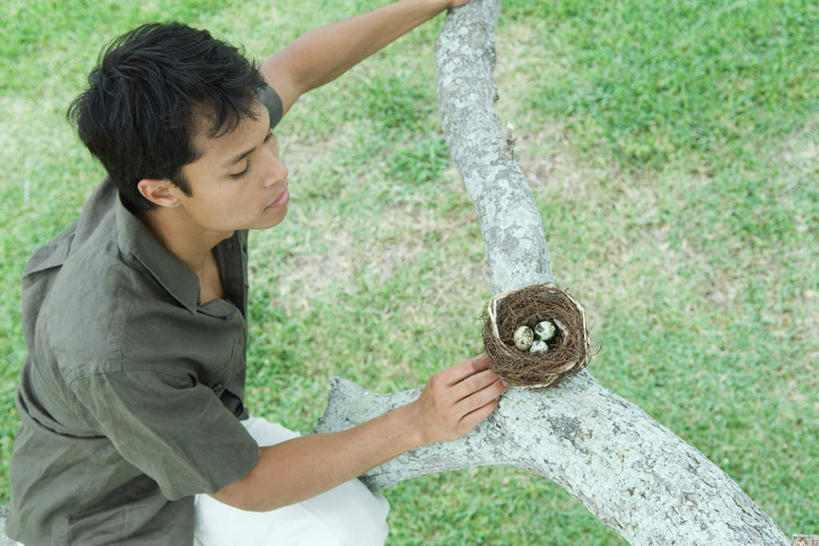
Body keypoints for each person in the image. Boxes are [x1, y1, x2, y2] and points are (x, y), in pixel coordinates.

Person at [6, 0, 509, 544]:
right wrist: (417, 422)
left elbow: (295, 68)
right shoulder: (111, 347)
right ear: (161, 191)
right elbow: (245, 482)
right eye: (242, 167)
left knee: (348, 521)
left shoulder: (205, 149)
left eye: (267, 137)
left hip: (185, 441)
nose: (276, 172)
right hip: (106, 517)